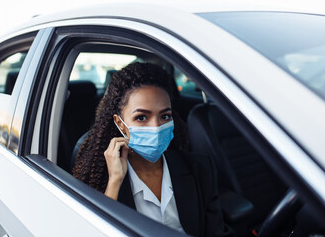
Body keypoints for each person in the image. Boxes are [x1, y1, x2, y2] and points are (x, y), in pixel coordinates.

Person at [73, 62, 233, 237]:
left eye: (165, 116)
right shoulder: (101, 177)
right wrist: (115, 182)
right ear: (120, 123)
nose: (156, 127)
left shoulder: (200, 168)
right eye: (141, 117)